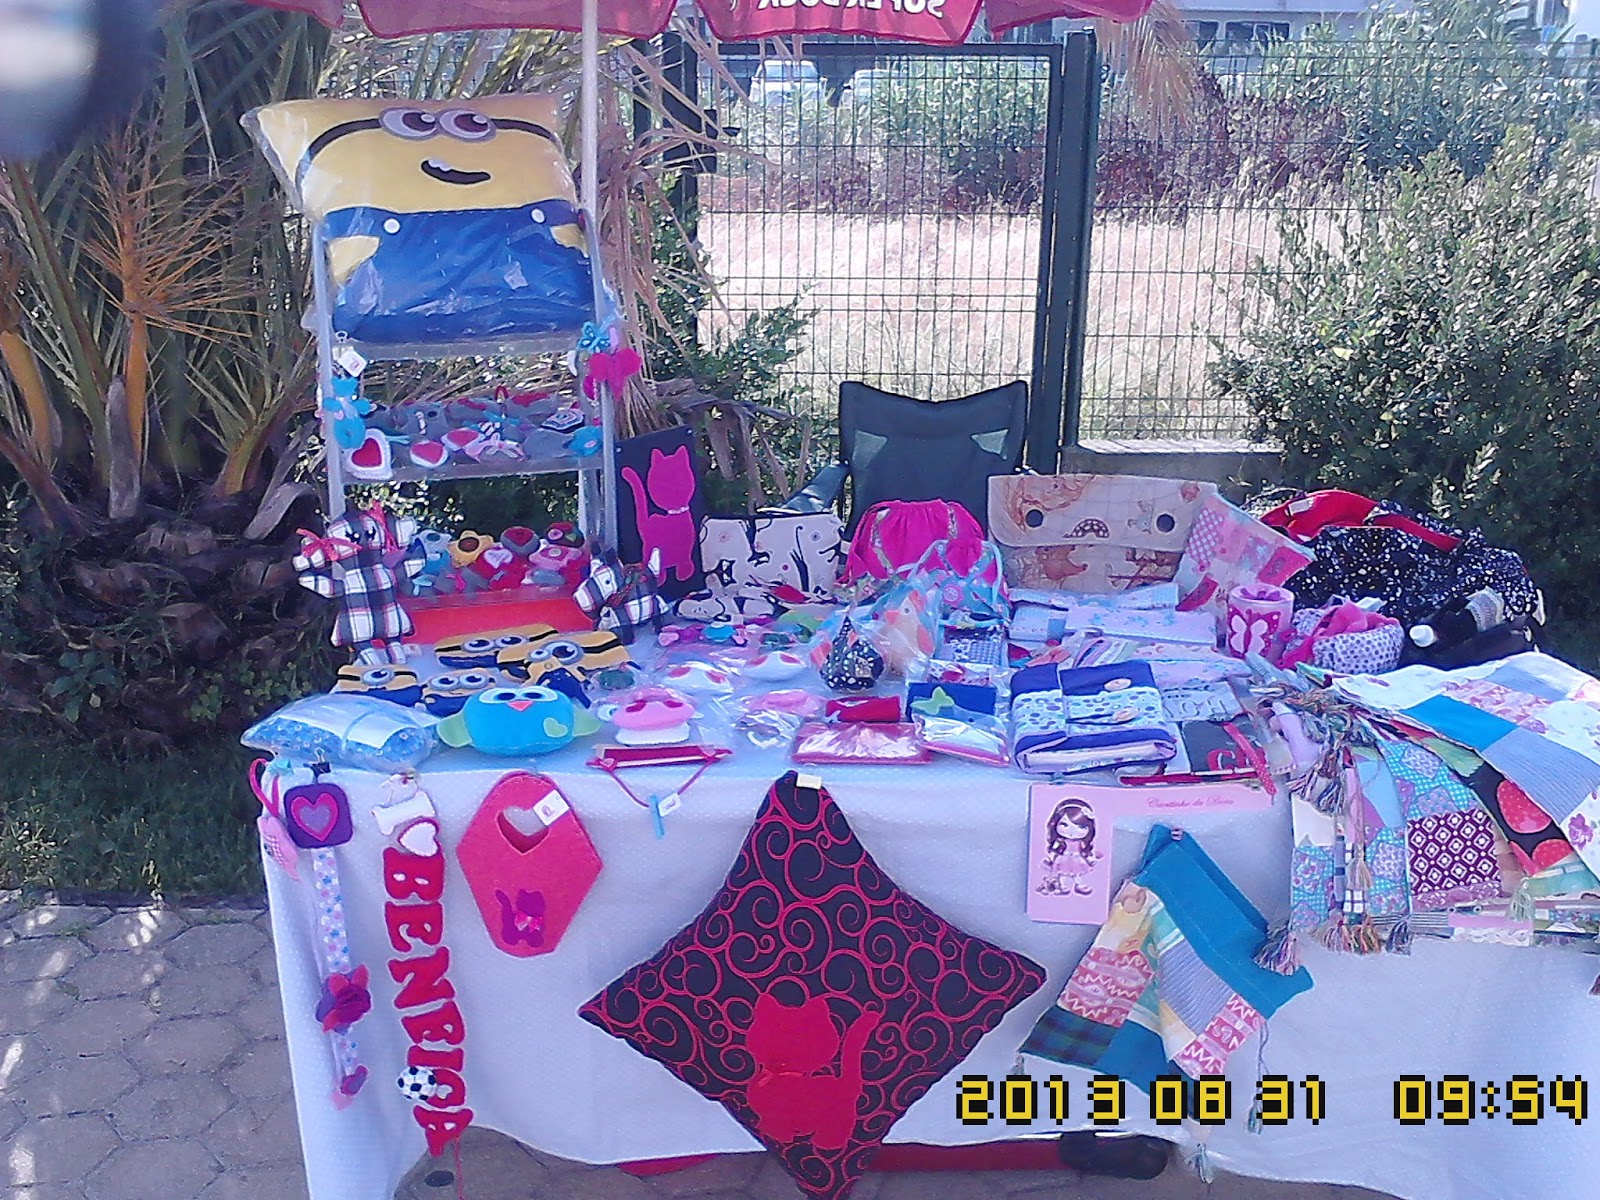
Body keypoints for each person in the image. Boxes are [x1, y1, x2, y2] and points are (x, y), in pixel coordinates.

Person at [1039, 796, 1100, 896]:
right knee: (1062, 873)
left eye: (1081, 827)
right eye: (1064, 825)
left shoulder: (1081, 843)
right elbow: (1054, 850)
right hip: (1063, 858)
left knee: (1077, 873)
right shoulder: (1060, 841)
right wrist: (1050, 858)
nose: (1072, 832)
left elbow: (1085, 851)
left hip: (1077, 858)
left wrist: (1091, 858)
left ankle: (1079, 885)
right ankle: (1062, 886)